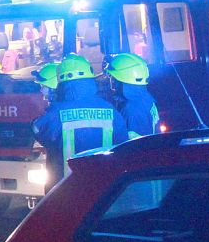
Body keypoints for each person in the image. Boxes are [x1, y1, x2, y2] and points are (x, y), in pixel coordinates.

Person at [32, 54, 128, 191]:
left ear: (61, 82)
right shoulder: (110, 110)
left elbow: (38, 130)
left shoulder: (56, 113)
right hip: (103, 190)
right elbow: (122, 143)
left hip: (66, 191)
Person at [104, 52, 160, 139]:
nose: (111, 81)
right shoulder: (145, 98)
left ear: (122, 79)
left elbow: (133, 146)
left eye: (113, 77)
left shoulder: (131, 109)